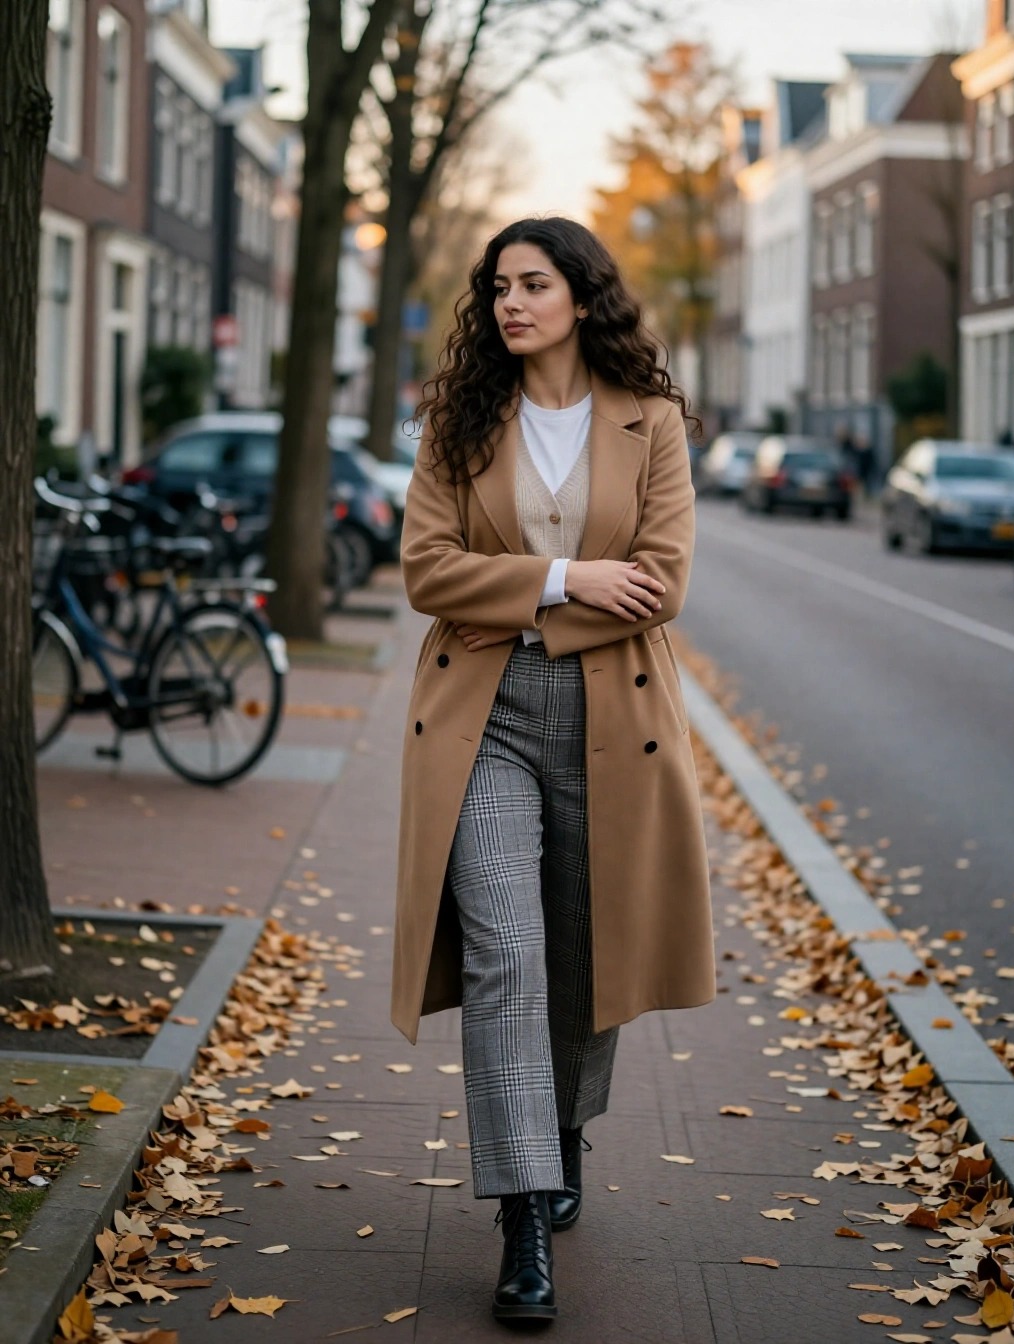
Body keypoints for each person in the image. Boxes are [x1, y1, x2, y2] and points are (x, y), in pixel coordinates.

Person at [391, 217, 715, 1325]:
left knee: (586, 945)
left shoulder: (651, 420)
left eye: (532, 284)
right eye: (496, 288)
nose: (508, 304)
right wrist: (571, 573)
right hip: (481, 711)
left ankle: (563, 1125)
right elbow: (427, 570)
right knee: (505, 952)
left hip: (610, 714)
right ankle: (523, 1212)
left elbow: (661, 581)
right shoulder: (461, 418)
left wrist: (530, 586)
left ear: (582, 295)